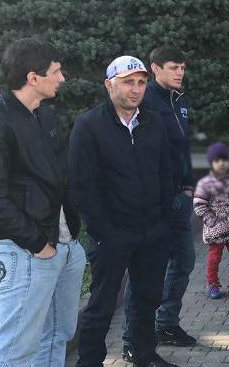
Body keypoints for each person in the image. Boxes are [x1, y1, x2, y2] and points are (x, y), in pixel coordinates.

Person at [0, 38, 86, 367]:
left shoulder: (44, 115)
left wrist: (69, 240)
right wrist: (38, 245)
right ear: (33, 77)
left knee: (57, 335)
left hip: (64, 245)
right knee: (14, 349)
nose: (62, 78)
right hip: (27, 251)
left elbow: (60, 176)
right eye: (56, 71)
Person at [70, 56, 177, 367]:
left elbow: (165, 173)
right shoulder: (89, 125)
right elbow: (82, 185)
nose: (136, 89)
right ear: (109, 85)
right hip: (112, 234)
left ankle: (144, 355)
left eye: (141, 82)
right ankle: (90, 362)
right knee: (101, 306)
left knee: (147, 300)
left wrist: (164, 222)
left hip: (151, 232)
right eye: (128, 82)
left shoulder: (153, 122)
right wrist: (104, 232)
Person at [120, 47, 196, 362]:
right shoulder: (145, 100)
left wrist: (190, 185)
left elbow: (183, 145)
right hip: (155, 200)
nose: (180, 72)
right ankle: (131, 339)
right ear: (155, 68)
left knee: (184, 260)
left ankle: (166, 323)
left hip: (180, 197)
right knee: (144, 271)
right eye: (174, 67)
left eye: (182, 67)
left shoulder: (179, 101)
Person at [194, 142, 229, 299]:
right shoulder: (206, 183)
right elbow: (199, 204)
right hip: (216, 227)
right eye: (217, 161)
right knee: (214, 257)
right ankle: (212, 283)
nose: (222, 164)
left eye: (225, 160)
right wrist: (212, 221)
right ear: (211, 163)